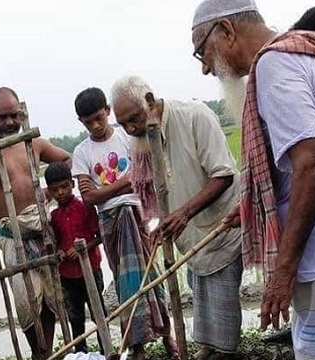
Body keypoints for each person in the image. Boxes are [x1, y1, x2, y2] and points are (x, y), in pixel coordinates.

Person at [191, 1, 315, 359]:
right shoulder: (308, 56)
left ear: (227, 31)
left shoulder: (275, 64)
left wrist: (283, 270)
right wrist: (253, 209)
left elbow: (312, 162)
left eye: (202, 50)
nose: (204, 67)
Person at [110, 76, 243, 360]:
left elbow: (223, 174)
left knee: (222, 293)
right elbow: (157, 190)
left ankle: (225, 351)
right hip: (190, 233)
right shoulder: (143, 140)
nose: (131, 128)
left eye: (134, 118)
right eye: (123, 124)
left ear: (149, 101)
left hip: (220, 224)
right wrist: (162, 223)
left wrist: (184, 213)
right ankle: (208, 346)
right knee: (200, 290)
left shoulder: (194, 116)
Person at [0, 87, 71, 359]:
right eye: (2, 116)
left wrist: (49, 191)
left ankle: (48, 351)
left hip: (42, 230)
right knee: (25, 300)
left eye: (14, 115)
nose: (9, 122)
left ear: (21, 113)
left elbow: (65, 159)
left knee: (51, 296)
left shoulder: (34, 143)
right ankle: (38, 352)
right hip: (12, 235)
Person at [71, 87, 177, 360]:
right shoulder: (81, 152)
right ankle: (137, 345)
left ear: (107, 111)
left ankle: (167, 336)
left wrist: (113, 188)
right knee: (124, 281)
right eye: (88, 122)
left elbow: (145, 172)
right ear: (81, 122)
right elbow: (89, 197)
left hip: (138, 212)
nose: (95, 125)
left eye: (99, 118)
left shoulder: (127, 137)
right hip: (111, 222)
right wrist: (127, 181)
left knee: (152, 276)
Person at [45, 162, 106, 355]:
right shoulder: (54, 216)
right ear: (50, 191)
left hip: (90, 269)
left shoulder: (85, 207)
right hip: (67, 275)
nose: (61, 192)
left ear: (72, 184)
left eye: (64, 187)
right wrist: (60, 252)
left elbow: (99, 237)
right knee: (75, 318)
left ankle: (106, 350)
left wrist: (82, 248)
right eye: (55, 190)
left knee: (98, 314)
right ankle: (81, 353)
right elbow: (55, 243)